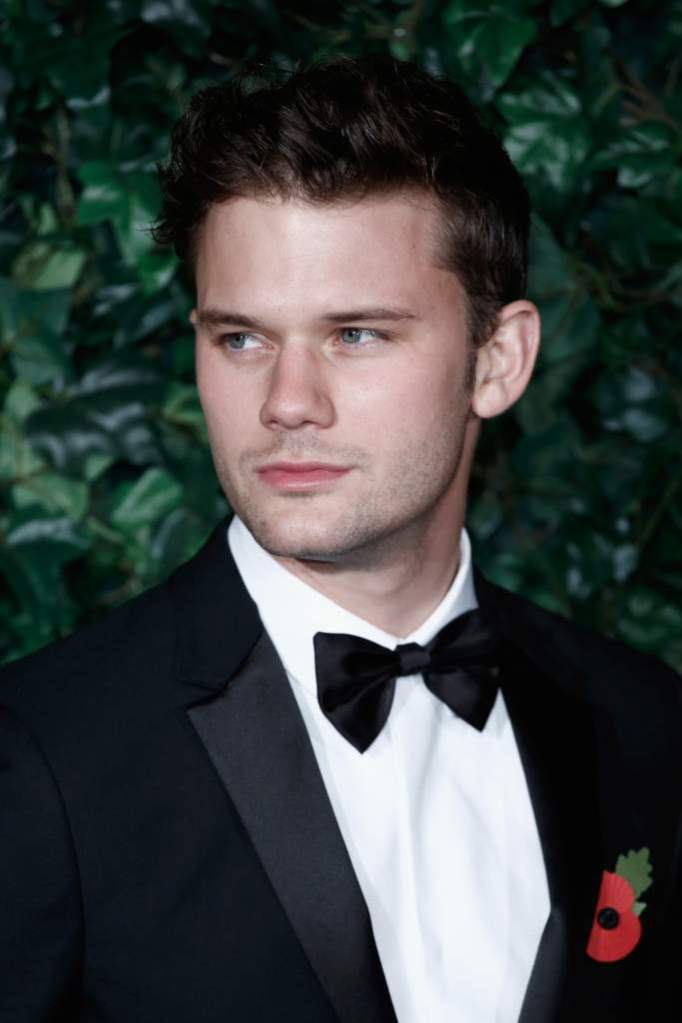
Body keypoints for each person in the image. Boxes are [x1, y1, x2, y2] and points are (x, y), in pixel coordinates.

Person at [1, 55, 680, 1023]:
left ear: (497, 360)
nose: (285, 403)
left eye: (356, 334)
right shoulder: (41, 754)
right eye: (241, 338)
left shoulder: (644, 725)